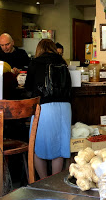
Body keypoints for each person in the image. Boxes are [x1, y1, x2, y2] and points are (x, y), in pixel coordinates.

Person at [24, 39, 72, 179]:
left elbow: (28, 87)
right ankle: (55, 181)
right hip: (65, 108)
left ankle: (44, 181)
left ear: (39, 49)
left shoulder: (35, 62)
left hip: (44, 108)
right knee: (59, 147)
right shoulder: (63, 63)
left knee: (37, 147)